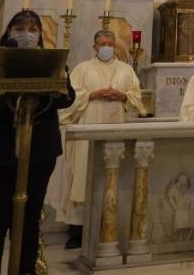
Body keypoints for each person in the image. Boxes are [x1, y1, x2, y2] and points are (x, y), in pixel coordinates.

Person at [0, 10, 74, 275]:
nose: (26, 33)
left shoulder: (51, 62)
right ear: (8, 33)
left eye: (33, 29)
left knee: (29, 223)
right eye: (19, 27)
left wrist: (56, 72)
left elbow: (67, 99)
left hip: (38, 154)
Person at [57, 30, 146, 249]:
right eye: (102, 44)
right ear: (94, 47)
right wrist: (92, 95)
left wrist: (122, 96)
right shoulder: (82, 69)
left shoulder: (126, 70)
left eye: (110, 44)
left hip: (117, 126)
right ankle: (77, 230)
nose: (106, 47)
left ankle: (110, 227)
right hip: (89, 126)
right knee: (84, 176)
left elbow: (137, 98)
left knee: (112, 176)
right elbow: (69, 98)